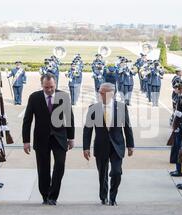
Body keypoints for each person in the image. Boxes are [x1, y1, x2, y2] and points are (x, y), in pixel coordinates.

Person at [22, 74, 75, 205]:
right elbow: (27, 120)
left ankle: (53, 195)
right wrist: (26, 140)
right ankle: (45, 196)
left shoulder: (64, 96)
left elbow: (70, 118)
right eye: (46, 87)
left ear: (55, 84)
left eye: (52, 87)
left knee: (60, 165)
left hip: (60, 137)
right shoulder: (34, 97)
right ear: (42, 85)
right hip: (41, 138)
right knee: (43, 168)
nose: (49, 90)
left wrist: (71, 137)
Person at [83, 83, 135, 206]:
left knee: (117, 172)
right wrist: (86, 147)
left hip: (117, 145)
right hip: (101, 145)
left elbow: (127, 127)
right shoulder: (93, 108)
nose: (100, 94)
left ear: (112, 94)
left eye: (103, 92)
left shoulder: (121, 107)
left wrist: (130, 145)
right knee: (102, 174)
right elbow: (88, 129)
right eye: (99, 92)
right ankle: (103, 197)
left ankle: (113, 197)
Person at [169, 81, 182, 177]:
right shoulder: (180, 97)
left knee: (180, 148)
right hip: (177, 126)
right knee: (176, 147)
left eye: (178, 88)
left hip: (181, 127)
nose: (176, 89)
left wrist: (179, 124)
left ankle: (181, 170)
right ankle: (178, 168)